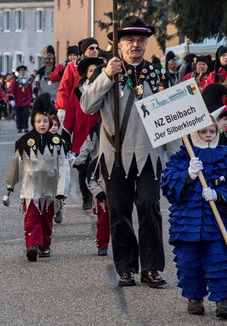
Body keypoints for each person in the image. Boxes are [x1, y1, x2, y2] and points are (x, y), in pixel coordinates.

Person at [80, 15, 169, 288]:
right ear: (119, 45)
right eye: (129, 40)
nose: (135, 45)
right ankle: (126, 267)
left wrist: (179, 158)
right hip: (114, 154)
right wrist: (107, 75)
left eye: (141, 41)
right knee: (119, 211)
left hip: (148, 153)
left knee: (148, 206)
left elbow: (171, 118)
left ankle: (151, 267)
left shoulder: (158, 74)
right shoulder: (105, 73)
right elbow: (87, 105)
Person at [161, 120, 227, 319]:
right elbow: (167, 181)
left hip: (216, 222)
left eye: (212, 131)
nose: (208, 135)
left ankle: (223, 301)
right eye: (203, 131)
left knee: (220, 260)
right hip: (186, 222)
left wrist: (219, 194)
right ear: (195, 133)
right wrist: (188, 174)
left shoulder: (225, 157)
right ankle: (194, 298)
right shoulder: (184, 156)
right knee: (188, 262)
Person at [4, 94, 69, 261]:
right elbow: (15, 165)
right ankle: (32, 245)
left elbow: (63, 167)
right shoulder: (24, 142)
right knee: (32, 216)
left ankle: (45, 245)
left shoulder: (58, 143)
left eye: (45, 121)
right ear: (33, 122)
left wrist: (61, 190)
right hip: (30, 187)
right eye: (39, 121)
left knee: (46, 219)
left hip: (50, 189)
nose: (42, 124)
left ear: (50, 123)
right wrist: (10, 186)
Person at [62, 56, 103, 210]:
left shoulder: (104, 89)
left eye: (96, 71)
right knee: (83, 168)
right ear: (86, 73)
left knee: (98, 166)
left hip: (99, 135)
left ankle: (97, 194)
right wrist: (66, 135)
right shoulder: (77, 92)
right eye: (90, 70)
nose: (93, 73)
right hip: (81, 135)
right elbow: (70, 115)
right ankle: (86, 197)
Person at [80, 122, 110, 256]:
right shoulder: (96, 129)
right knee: (103, 221)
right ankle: (102, 244)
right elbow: (87, 145)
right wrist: (79, 160)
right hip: (102, 193)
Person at [55, 38, 100, 121]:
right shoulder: (72, 66)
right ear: (84, 50)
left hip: (97, 109)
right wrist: (62, 108)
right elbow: (64, 88)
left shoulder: (102, 65)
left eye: (97, 48)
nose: (95, 50)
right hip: (77, 109)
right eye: (91, 48)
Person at [10, 65, 33, 133]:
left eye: (24, 70)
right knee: (19, 115)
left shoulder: (28, 80)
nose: (22, 72)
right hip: (18, 100)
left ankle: (25, 127)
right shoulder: (16, 80)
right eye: (21, 71)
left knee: (25, 114)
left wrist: (31, 99)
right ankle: (19, 127)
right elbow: (12, 90)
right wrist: (12, 99)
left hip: (26, 100)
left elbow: (30, 90)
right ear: (19, 72)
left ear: (25, 71)